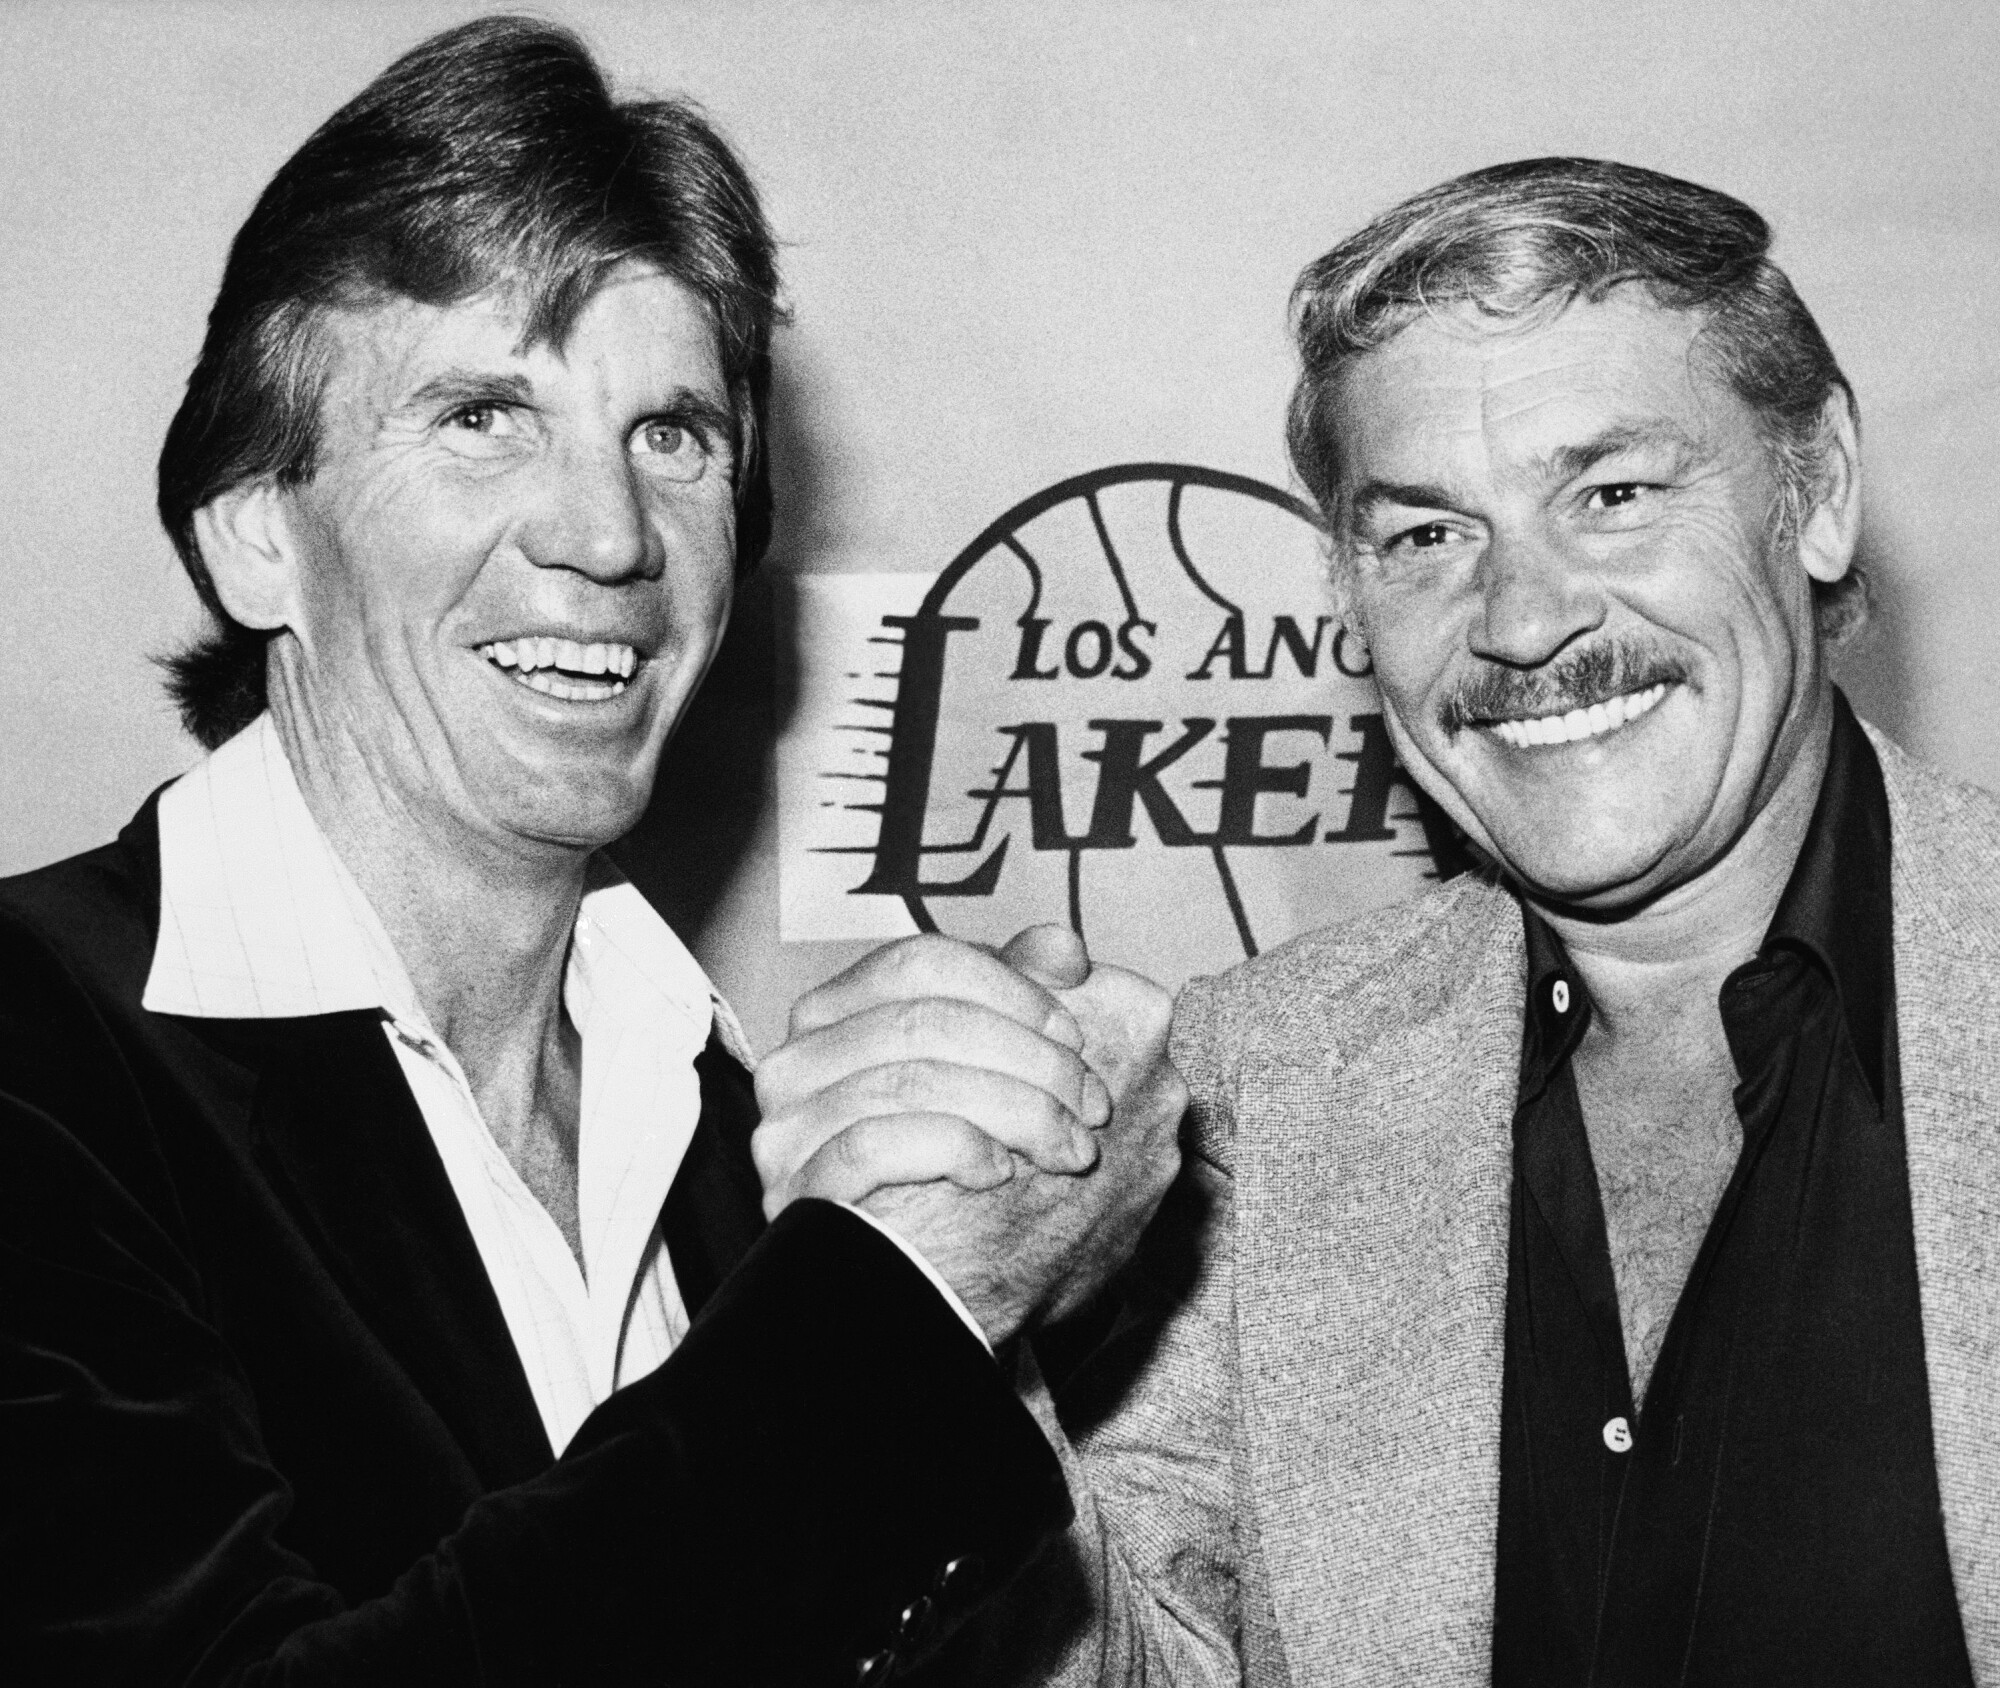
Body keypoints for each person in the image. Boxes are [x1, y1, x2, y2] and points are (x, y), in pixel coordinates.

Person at [0, 17, 1184, 1685]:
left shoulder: (718, 1103)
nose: (610, 532)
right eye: (484, 415)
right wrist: (909, 1303)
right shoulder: (38, 1057)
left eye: (672, 436)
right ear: (259, 533)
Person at [859, 156, 2000, 1685]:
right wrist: (938, 1326)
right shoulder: (1243, 1088)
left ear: (1822, 490)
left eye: (1610, 493)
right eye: (1424, 538)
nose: (1524, 621)